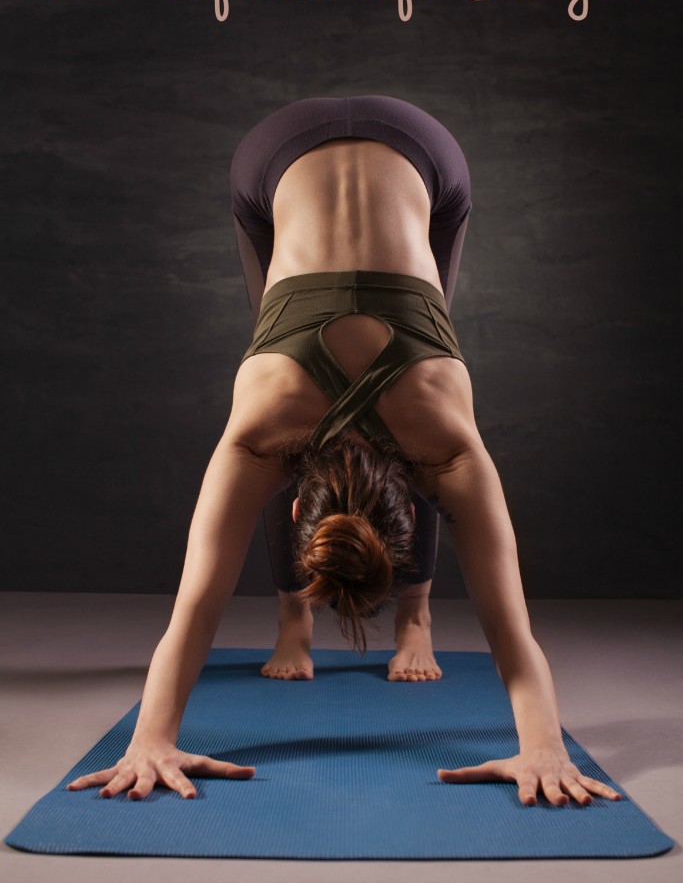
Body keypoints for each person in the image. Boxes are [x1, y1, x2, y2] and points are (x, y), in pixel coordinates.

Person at [66, 95, 622, 808]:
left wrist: (151, 741)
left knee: (294, 311)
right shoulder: (263, 435)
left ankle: (326, 624)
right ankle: (396, 621)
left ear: (411, 509)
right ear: (300, 504)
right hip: (295, 151)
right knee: (281, 335)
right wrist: (540, 748)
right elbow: (510, 633)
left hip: (391, 148)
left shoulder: (445, 448)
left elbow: (194, 608)